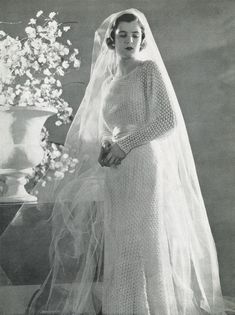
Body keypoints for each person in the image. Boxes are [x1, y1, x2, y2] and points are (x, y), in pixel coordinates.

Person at [27, 8, 228, 315]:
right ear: (112, 39)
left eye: (135, 35)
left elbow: (166, 119)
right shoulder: (109, 81)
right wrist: (109, 144)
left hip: (142, 162)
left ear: (142, 39)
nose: (130, 40)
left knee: (142, 239)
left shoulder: (148, 71)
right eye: (123, 35)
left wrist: (126, 144)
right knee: (120, 244)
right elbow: (107, 128)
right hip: (117, 170)